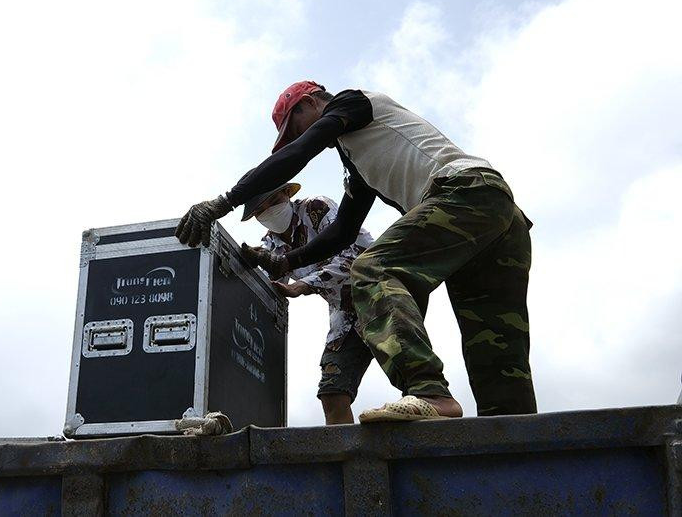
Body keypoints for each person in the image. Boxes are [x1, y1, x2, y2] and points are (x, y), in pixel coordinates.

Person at [176, 81, 536, 422]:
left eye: (295, 127)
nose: (297, 137)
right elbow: (343, 230)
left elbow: (299, 153)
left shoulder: (354, 102)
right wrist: (287, 261)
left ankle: (429, 391)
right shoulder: (359, 160)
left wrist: (225, 201)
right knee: (494, 344)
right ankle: (518, 439)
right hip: (497, 218)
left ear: (311, 101)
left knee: (373, 270)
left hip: (465, 191)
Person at [241, 182, 374, 424]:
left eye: (274, 200)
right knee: (332, 393)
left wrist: (303, 285)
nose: (270, 210)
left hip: (380, 295)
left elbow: (352, 255)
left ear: (286, 194)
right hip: (344, 316)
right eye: (261, 209)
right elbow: (271, 288)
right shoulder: (272, 245)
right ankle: (343, 454)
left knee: (412, 376)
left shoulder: (316, 209)